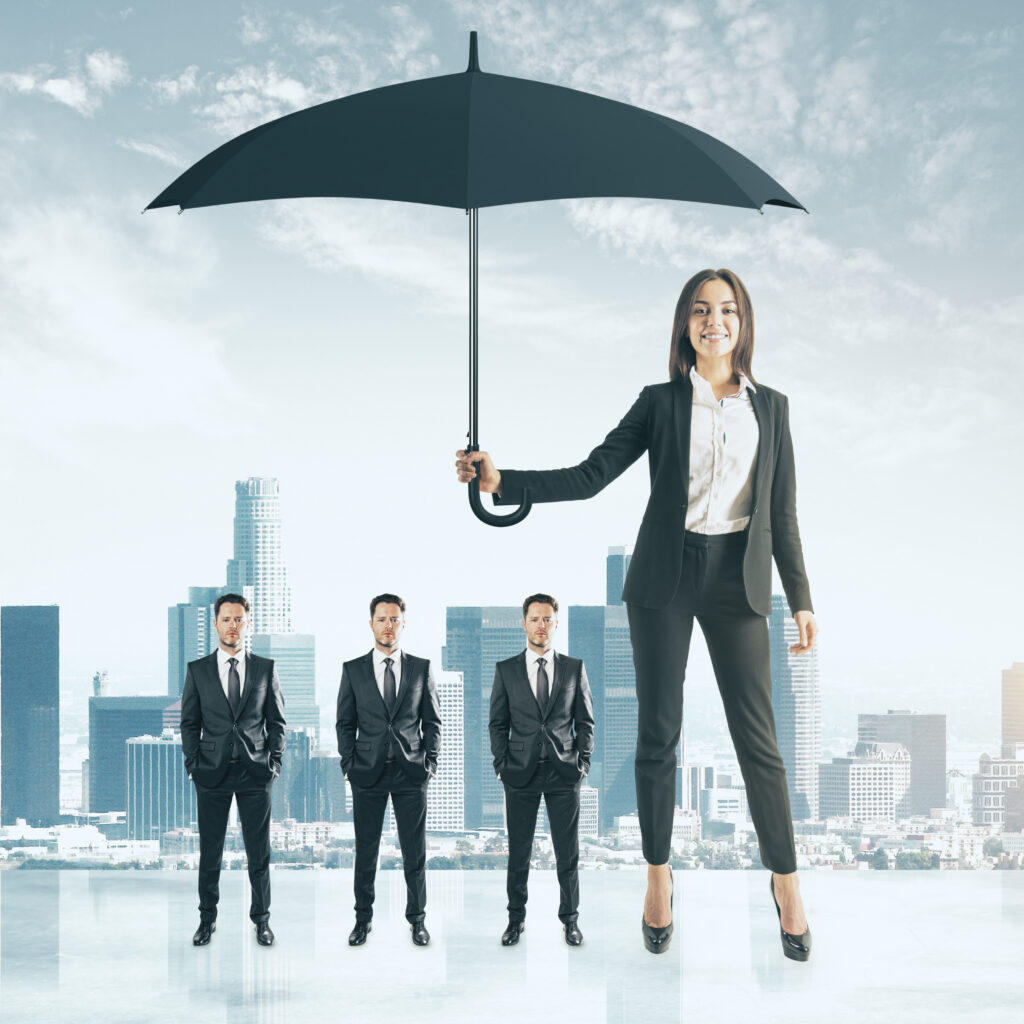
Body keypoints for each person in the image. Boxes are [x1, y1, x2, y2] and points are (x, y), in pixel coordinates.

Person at [456, 268, 817, 961]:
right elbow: (592, 475)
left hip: (738, 579)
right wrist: (504, 481)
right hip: (664, 577)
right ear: (685, 324)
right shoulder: (660, 402)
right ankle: (657, 876)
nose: (715, 321)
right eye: (701, 310)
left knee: (760, 743)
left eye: (728, 310)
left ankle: (786, 881)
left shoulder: (772, 408)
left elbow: (783, 511)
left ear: (743, 323)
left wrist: (800, 598)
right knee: (657, 734)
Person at [180, 593, 286, 947]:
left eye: (239, 619)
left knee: (259, 853)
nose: (232, 625)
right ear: (216, 624)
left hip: (256, 772)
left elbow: (277, 721)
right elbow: (189, 723)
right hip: (212, 773)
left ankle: (262, 921)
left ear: (247, 623)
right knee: (210, 853)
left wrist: (274, 763)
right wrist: (193, 765)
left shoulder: (265, 668)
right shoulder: (198, 670)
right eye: (226, 619)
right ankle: (206, 920)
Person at [336, 593, 441, 947]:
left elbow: (433, 722)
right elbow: (344, 723)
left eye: (394, 619)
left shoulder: (421, 668)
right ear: (371, 624)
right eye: (382, 619)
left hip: (412, 772)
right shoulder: (353, 670)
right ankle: (362, 920)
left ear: (403, 624)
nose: (388, 625)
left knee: (415, 853)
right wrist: (349, 765)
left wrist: (430, 764)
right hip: (367, 773)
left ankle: (418, 920)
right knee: (366, 852)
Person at [490, 594, 595, 947]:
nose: (541, 625)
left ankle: (570, 921)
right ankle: (515, 921)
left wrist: (583, 763)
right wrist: (501, 765)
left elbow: (586, 721)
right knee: (519, 853)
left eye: (547, 619)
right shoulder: (506, 670)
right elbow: (497, 723)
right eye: (534, 619)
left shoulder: (573, 668)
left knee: (568, 854)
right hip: (520, 773)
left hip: (564, 773)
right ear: (524, 623)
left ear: (556, 623)